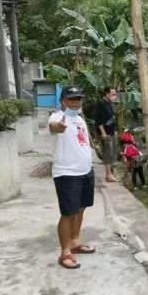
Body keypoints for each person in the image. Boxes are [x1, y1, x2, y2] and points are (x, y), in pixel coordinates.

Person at [48, 85, 95, 270]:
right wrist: (58, 126)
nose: (76, 102)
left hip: (85, 172)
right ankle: (65, 252)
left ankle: (75, 242)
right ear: (62, 101)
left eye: (78, 98)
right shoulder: (58, 117)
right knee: (68, 214)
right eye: (71, 99)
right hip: (67, 174)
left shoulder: (80, 120)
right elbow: (54, 126)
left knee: (81, 209)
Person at [95, 86, 119, 182]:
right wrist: (103, 133)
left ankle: (111, 173)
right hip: (105, 133)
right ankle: (108, 175)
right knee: (107, 153)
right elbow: (98, 120)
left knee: (112, 153)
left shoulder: (109, 104)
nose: (114, 96)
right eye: (113, 94)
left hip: (111, 132)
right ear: (107, 94)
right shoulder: (101, 104)